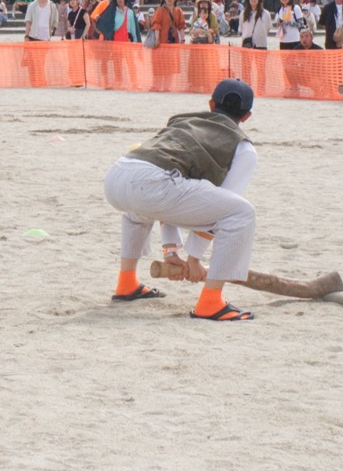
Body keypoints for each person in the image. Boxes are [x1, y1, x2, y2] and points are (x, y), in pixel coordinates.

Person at [102, 79, 260, 321]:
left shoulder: (182, 122)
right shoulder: (244, 148)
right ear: (247, 116)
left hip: (118, 175)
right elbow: (219, 208)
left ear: (211, 104)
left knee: (139, 208)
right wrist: (193, 259)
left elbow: (170, 196)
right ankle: (210, 303)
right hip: (155, 184)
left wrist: (171, 251)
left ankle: (127, 283)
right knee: (241, 213)